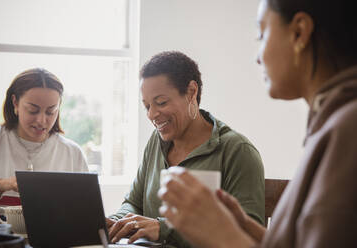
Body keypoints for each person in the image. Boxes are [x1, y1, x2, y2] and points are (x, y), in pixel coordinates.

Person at [158, 0, 357, 247]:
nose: (257, 58)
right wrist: (242, 226)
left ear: (299, 32)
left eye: (262, 34)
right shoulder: (333, 123)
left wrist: (221, 234)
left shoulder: (347, 130)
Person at [106, 51, 265, 247]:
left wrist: (164, 229)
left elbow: (247, 237)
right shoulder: (156, 142)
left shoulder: (238, 151)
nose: (152, 114)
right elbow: (134, 202)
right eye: (147, 106)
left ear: (191, 92)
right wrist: (117, 222)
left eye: (161, 102)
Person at [0, 68, 88, 217]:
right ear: (15, 103)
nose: (41, 120)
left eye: (50, 112)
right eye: (33, 110)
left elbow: (85, 214)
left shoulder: (73, 153)